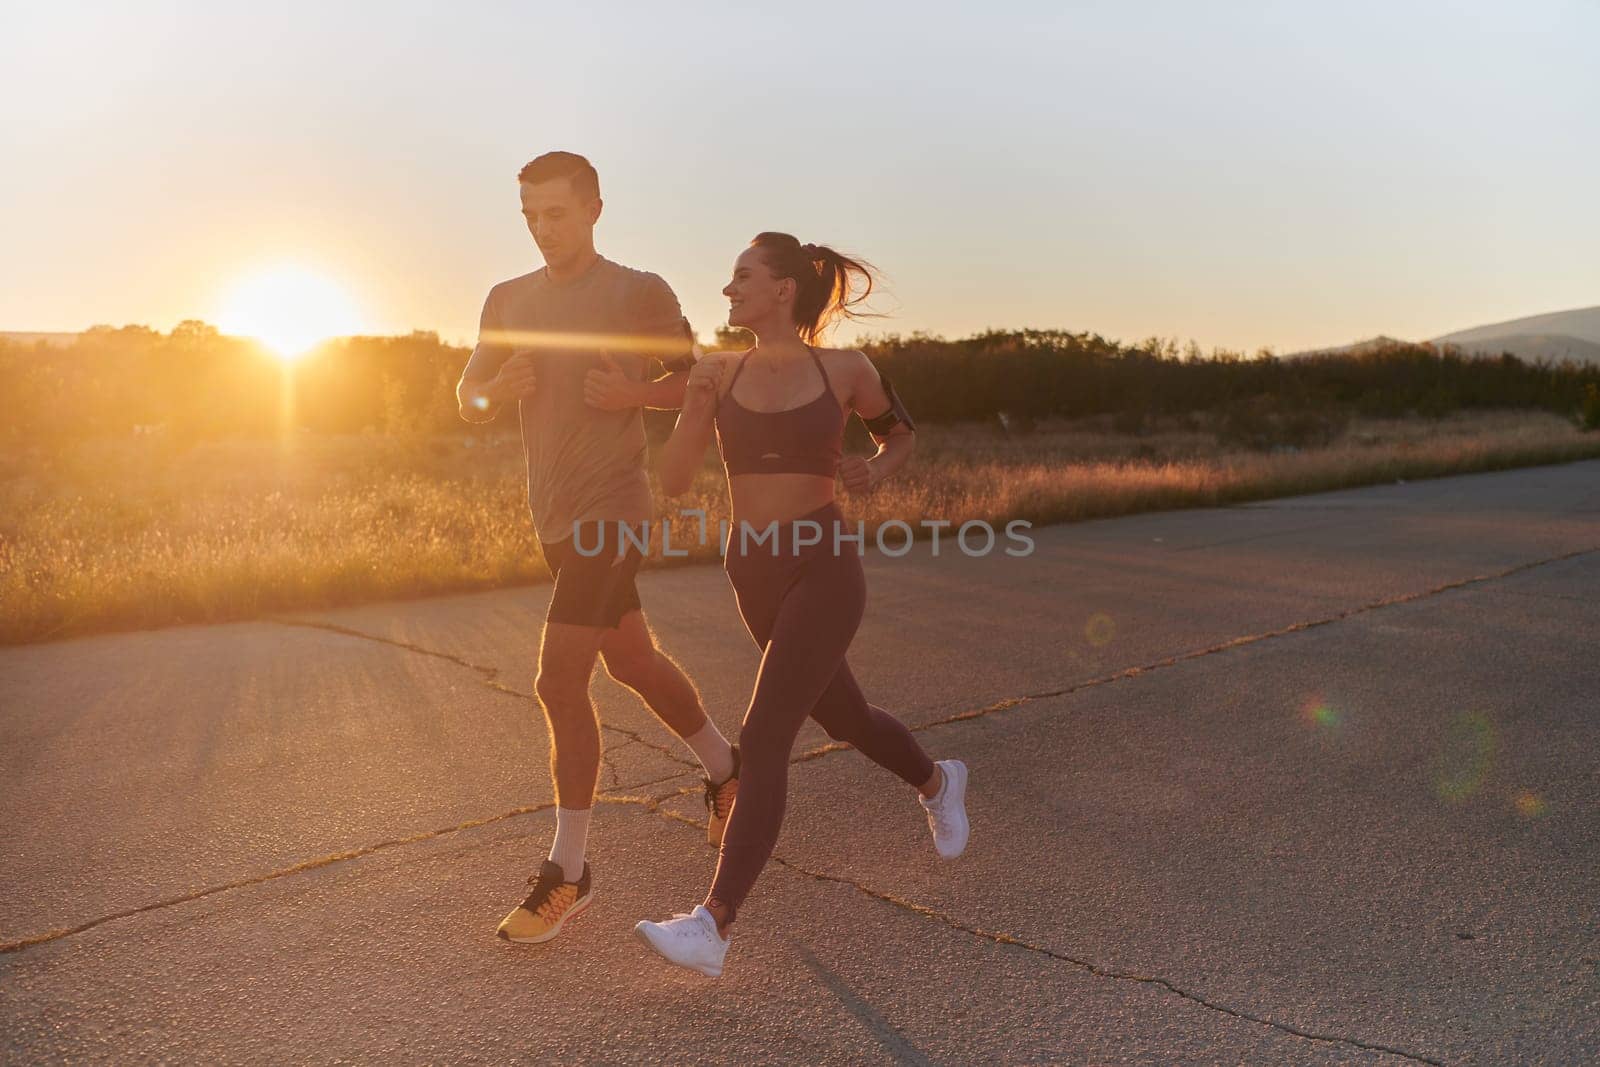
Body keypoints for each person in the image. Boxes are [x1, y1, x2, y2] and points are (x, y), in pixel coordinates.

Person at [632, 232, 970, 978]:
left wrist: (875, 469)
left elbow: (900, 433)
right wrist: (691, 408)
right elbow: (680, 480)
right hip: (750, 567)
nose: (728, 290)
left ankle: (712, 924)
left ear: (783, 289)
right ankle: (938, 779)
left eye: (742, 277)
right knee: (845, 717)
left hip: (824, 560)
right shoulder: (717, 371)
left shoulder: (847, 369)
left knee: (766, 729)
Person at [456, 151, 743, 945]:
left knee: (556, 680)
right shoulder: (507, 299)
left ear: (593, 210)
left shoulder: (638, 293)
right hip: (554, 517)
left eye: (556, 212)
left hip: (613, 510)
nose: (543, 228)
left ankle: (570, 869)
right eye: (530, 216)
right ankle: (728, 768)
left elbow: (701, 383)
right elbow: (466, 392)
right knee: (632, 660)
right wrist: (492, 392)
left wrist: (633, 395)